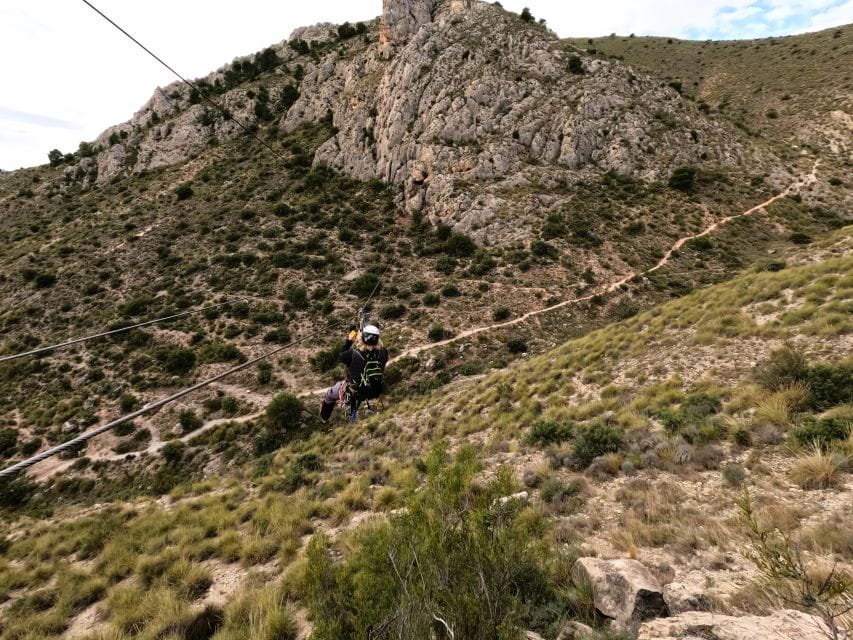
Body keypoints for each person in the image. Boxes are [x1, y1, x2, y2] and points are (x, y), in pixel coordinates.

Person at [320, 324, 389, 422]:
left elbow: (341, 356)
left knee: (330, 395)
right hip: (375, 390)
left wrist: (350, 340)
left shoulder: (353, 355)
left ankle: (324, 418)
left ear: (363, 338)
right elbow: (375, 351)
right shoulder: (383, 353)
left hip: (356, 392)